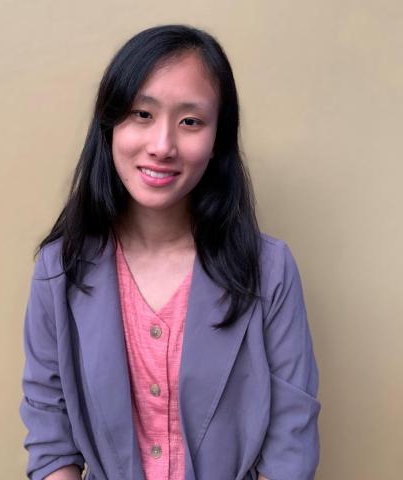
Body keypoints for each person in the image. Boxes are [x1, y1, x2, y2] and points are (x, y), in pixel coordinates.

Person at [19, 24, 321, 480]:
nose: (162, 146)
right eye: (142, 114)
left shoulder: (270, 270)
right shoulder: (57, 270)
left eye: (190, 121)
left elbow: (290, 445)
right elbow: (50, 432)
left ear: (218, 137)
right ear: (110, 124)